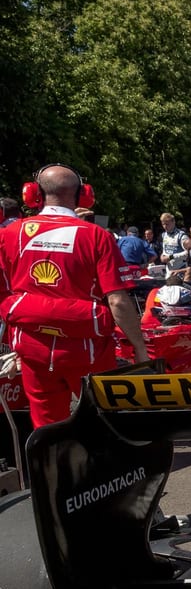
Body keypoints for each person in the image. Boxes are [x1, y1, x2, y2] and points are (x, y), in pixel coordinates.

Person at [0, 164, 148, 427]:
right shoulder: (97, 236)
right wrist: (138, 347)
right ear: (83, 196)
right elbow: (117, 301)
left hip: (33, 347)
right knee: (103, 423)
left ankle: (53, 467)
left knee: (46, 427)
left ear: (33, 193)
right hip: (87, 350)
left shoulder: (10, 234)